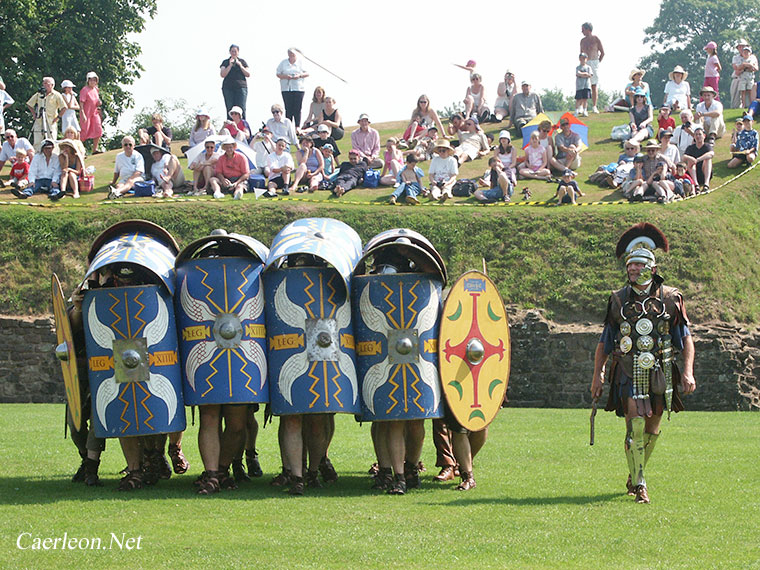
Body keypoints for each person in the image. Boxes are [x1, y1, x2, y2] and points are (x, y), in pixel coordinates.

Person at [590, 223, 696, 504]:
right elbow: (605, 341)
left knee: (652, 429)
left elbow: (685, 339)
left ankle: (635, 472)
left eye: (641, 265)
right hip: (626, 369)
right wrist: (597, 375)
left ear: (653, 266)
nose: (635, 270)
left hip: (660, 371)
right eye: (631, 265)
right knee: (635, 425)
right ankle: (640, 484)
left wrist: (687, 371)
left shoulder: (671, 299)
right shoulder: (617, 300)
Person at [26, 77, 66, 148]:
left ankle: (52, 156)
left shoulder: (56, 95)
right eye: (43, 83)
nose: (44, 86)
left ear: (52, 85)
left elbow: (64, 107)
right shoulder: (39, 94)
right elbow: (29, 104)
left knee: (52, 140)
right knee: (37, 141)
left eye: (46, 84)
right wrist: (34, 114)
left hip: (51, 121)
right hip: (39, 120)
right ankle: (37, 156)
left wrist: (58, 118)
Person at [276, 48, 309, 127]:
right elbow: (278, 74)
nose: (291, 55)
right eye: (290, 54)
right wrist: (286, 76)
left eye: (293, 54)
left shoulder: (301, 62)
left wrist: (299, 75)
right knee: (288, 108)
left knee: (297, 108)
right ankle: (288, 126)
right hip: (286, 88)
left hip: (298, 88)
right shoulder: (283, 63)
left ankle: (297, 127)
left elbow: (307, 73)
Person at [220, 44, 250, 118]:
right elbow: (222, 74)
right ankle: (230, 126)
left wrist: (240, 65)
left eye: (235, 51)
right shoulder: (225, 62)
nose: (234, 53)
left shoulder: (242, 61)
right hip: (228, 88)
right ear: (230, 52)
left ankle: (242, 126)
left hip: (241, 87)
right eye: (232, 51)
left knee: (241, 108)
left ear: (238, 52)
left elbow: (248, 74)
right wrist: (230, 65)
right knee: (230, 108)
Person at [580, 22, 604, 113]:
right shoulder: (582, 41)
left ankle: (594, 106)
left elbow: (602, 52)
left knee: (594, 85)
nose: (582, 31)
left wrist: (597, 62)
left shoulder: (596, 39)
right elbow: (581, 53)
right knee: (583, 85)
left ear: (588, 29)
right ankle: (582, 106)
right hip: (585, 63)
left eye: (583, 29)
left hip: (594, 62)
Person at [79, 72, 103, 154]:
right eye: (91, 80)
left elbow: (96, 101)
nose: (93, 82)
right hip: (86, 112)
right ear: (88, 81)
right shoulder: (84, 90)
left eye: (94, 80)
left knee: (98, 129)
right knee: (84, 131)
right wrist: (83, 114)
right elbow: (81, 103)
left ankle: (95, 149)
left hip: (94, 112)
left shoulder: (96, 89)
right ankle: (80, 151)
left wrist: (99, 102)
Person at [683, 126, 714, 191]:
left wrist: (698, 159)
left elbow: (711, 154)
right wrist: (691, 159)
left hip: (704, 172)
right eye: (696, 134)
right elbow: (684, 157)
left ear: (704, 136)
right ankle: (696, 185)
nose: (698, 136)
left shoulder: (707, 146)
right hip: (693, 173)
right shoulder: (690, 147)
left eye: (700, 134)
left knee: (708, 159)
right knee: (690, 161)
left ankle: (706, 184)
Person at [730, 40, 750, 109]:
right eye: (740, 47)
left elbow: (754, 68)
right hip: (737, 78)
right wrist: (746, 67)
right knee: (735, 100)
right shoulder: (735, 57)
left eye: (743, 46)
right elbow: (736, 70)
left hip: (748, 78)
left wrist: (742, 67)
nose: (741, 48)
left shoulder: (751, 57)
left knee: (747, 98)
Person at [737, 45, 758, 109]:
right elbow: (738, 67)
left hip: (750, 77)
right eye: (744, 52)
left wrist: (747, 65)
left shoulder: (752, 59)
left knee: (750, 91)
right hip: (742, 77)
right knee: (743, 91)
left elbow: (754, 67)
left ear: (750, 53)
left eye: (747, 52)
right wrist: (745, 65)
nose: (746, 53)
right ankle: (743, 105)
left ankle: (751, 104)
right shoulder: (740, 60)